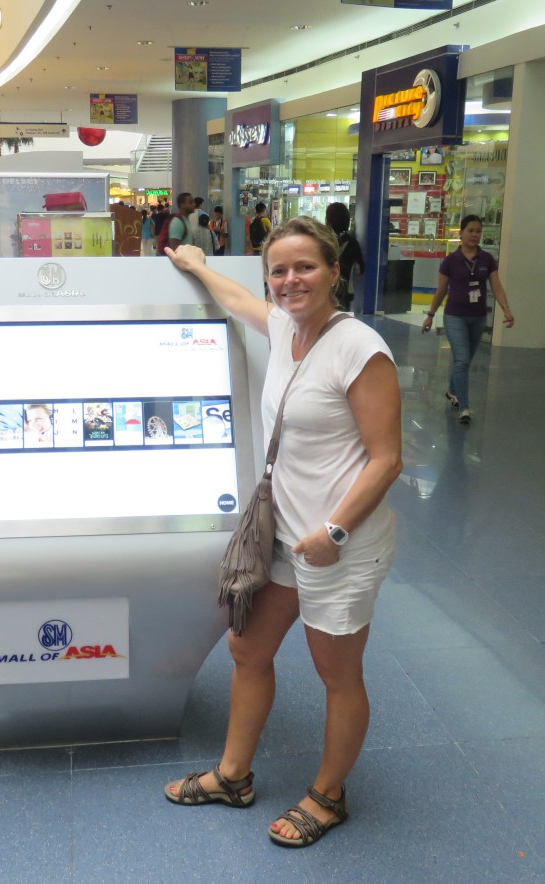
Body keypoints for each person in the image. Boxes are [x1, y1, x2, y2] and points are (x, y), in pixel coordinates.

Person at [161, 217, 402, 849]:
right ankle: (233, 775)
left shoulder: (360, 349)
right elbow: (239, 300)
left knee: (336, 673)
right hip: (284, 536)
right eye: (279, 270)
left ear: (335, 272)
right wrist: (196, 264)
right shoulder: (285, 325)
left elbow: (386, 459)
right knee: (248, 649)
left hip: (338, 546)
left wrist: (335, 531)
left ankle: (329, 794)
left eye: (305, 267)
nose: (291, 280)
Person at [422, 215, 515, 422]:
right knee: (462, 359)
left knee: (464, 361)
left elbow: (497, 286)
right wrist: (430, 315)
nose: (474, 235)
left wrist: (506, 309)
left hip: (478, 317)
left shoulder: (487, 259)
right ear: (461, 233)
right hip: (455, 316)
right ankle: (464, 407)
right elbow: (441, 290)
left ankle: (452, 391)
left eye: (478, 231)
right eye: (470, 230)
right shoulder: (450, 261)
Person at [325, 203, 363, 312]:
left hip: (323, 287)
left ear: (328, 219)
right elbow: (359, 269)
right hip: (345, 291)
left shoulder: (322, 240)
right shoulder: (352, 242)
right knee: (341, 318)